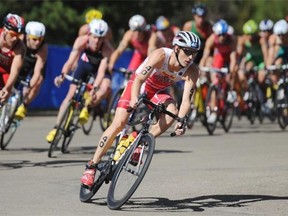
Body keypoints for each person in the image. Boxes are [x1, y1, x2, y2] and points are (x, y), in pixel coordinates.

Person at [80, 31, 201, 188]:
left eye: (194, 53)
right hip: (138, 86)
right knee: (119, 123)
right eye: (188, 52)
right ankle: (92, 166)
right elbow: (139, 79)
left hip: (156, 92)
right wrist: (134, 98)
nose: (191, 57)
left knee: (173, 113)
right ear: (177, 48)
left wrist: (182, 121)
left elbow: (186, 100)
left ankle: (140, 143)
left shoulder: (192, 71)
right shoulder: (160, 55)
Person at [46, 19, 114, 143]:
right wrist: (62, 75)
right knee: (69, 96)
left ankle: (87, 107)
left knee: (104, 88)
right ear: (89, 35)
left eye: (100, 38)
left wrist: (94, 88)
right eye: (94, 37)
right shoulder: (81, 41)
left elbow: (101, 72)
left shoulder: (107, 49)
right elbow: (70, 61)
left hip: (99, 71)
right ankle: (56, 128)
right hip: (86, 65)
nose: (97, 41)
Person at [199, 19, 238, 123]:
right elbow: (205, 56)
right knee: (215, 82)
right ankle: (213, 111)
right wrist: (201, 68)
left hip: (229, 57)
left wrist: (230, 72)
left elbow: (233, 58)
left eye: (224, 35)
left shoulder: (231, 39)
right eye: (219, 35)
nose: (222, 37)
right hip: (219, 57)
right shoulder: (212, 39)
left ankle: (231, 91)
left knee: (234, 69)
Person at [14, 21, 48, 120]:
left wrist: (29, 86)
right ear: (27, 36)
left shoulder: (43, 47)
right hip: (21, 61)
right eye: (35, 39)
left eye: (41, 39)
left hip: (34, 65)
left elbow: (37, 72)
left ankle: (24, 105)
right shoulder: (20, 39)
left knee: (39, 80)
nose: (38, 42)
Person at [0, 13, 26, 104]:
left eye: (18, 35)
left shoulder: (20, 47)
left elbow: (15, 71)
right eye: (12, 34)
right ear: (5, 30)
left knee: (5, 94)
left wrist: (6, 89)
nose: (15, 39)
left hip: (7, 72)